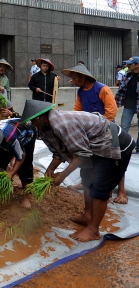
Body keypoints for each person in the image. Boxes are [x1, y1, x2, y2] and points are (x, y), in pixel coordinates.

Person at [20, 100, 135, 242]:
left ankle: (93, 230)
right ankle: (87, 216)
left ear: (41, 118)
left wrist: (62, 175)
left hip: (114, 145)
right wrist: (50, 168)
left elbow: (81, 154)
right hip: (94, 148)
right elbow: (59, 151)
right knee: (87, 180)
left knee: (100, 187)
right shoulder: (44, 129)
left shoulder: (62, 124)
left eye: (33, 121)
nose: (32, 125)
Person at [63, 64, 127, 204]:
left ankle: (122, 191)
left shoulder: (102, 89)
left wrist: (96, 126)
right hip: (90, 131)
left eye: (75, 78)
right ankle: (86, 183)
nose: (73, 80)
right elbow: (78, 110)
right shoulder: (80, 91)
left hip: (108, 128)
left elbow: (111, 111)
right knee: (91, 158)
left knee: (116, 159)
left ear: (83, 77)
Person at [115, 55, 139, 154]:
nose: (127, 65)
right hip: (128, 105)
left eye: (130, 64)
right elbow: (122, 90)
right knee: (124, 128)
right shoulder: (127, 75)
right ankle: (122, 148)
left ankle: (138, 148)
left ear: (137, 65)